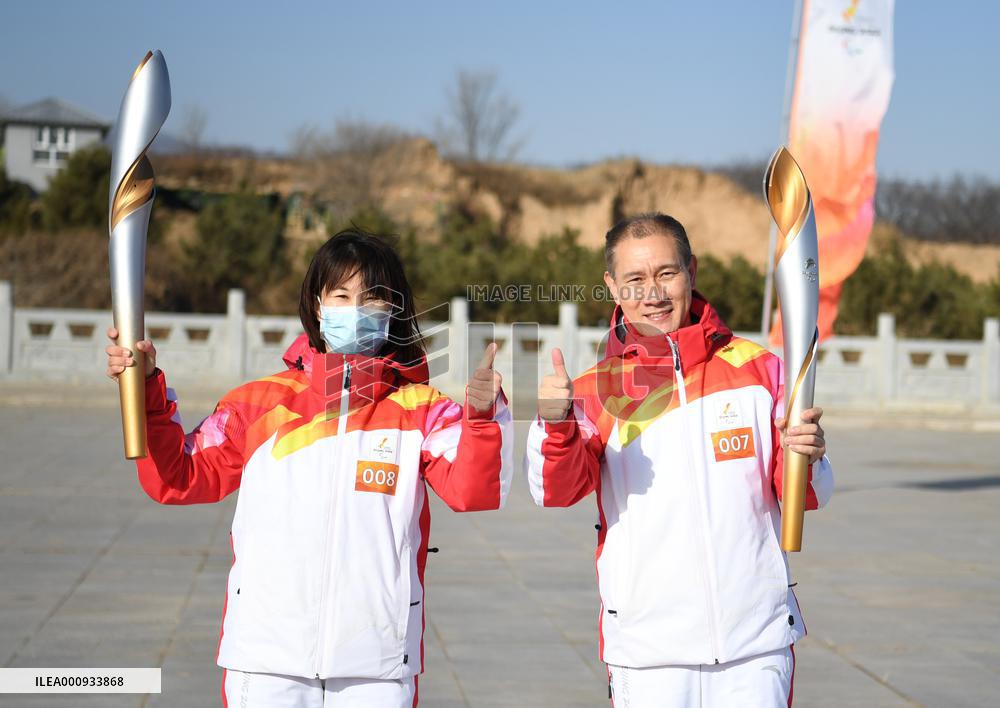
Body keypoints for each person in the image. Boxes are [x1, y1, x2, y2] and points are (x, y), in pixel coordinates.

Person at [105, 229, 513, 707]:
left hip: (376, 664)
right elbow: (177, 477)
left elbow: (473, 491)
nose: (356, 309)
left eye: (373, 298)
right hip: (265, 657)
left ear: (394, 311)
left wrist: (482, 419)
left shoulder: (423, 410)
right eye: (341, 295)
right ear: (317, 306)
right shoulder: (257, 405)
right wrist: (147, 388)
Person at [526, 213, 833, 707]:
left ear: (691, 271)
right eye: (635, 280)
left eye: (667, 273)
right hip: (649, 652)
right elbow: (553, 491)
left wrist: (808, 455)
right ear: (612, 287)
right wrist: (556, 425)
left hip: (755, 644)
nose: (654, 293)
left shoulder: (759, 370)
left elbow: (807, 494)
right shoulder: (594, 391)